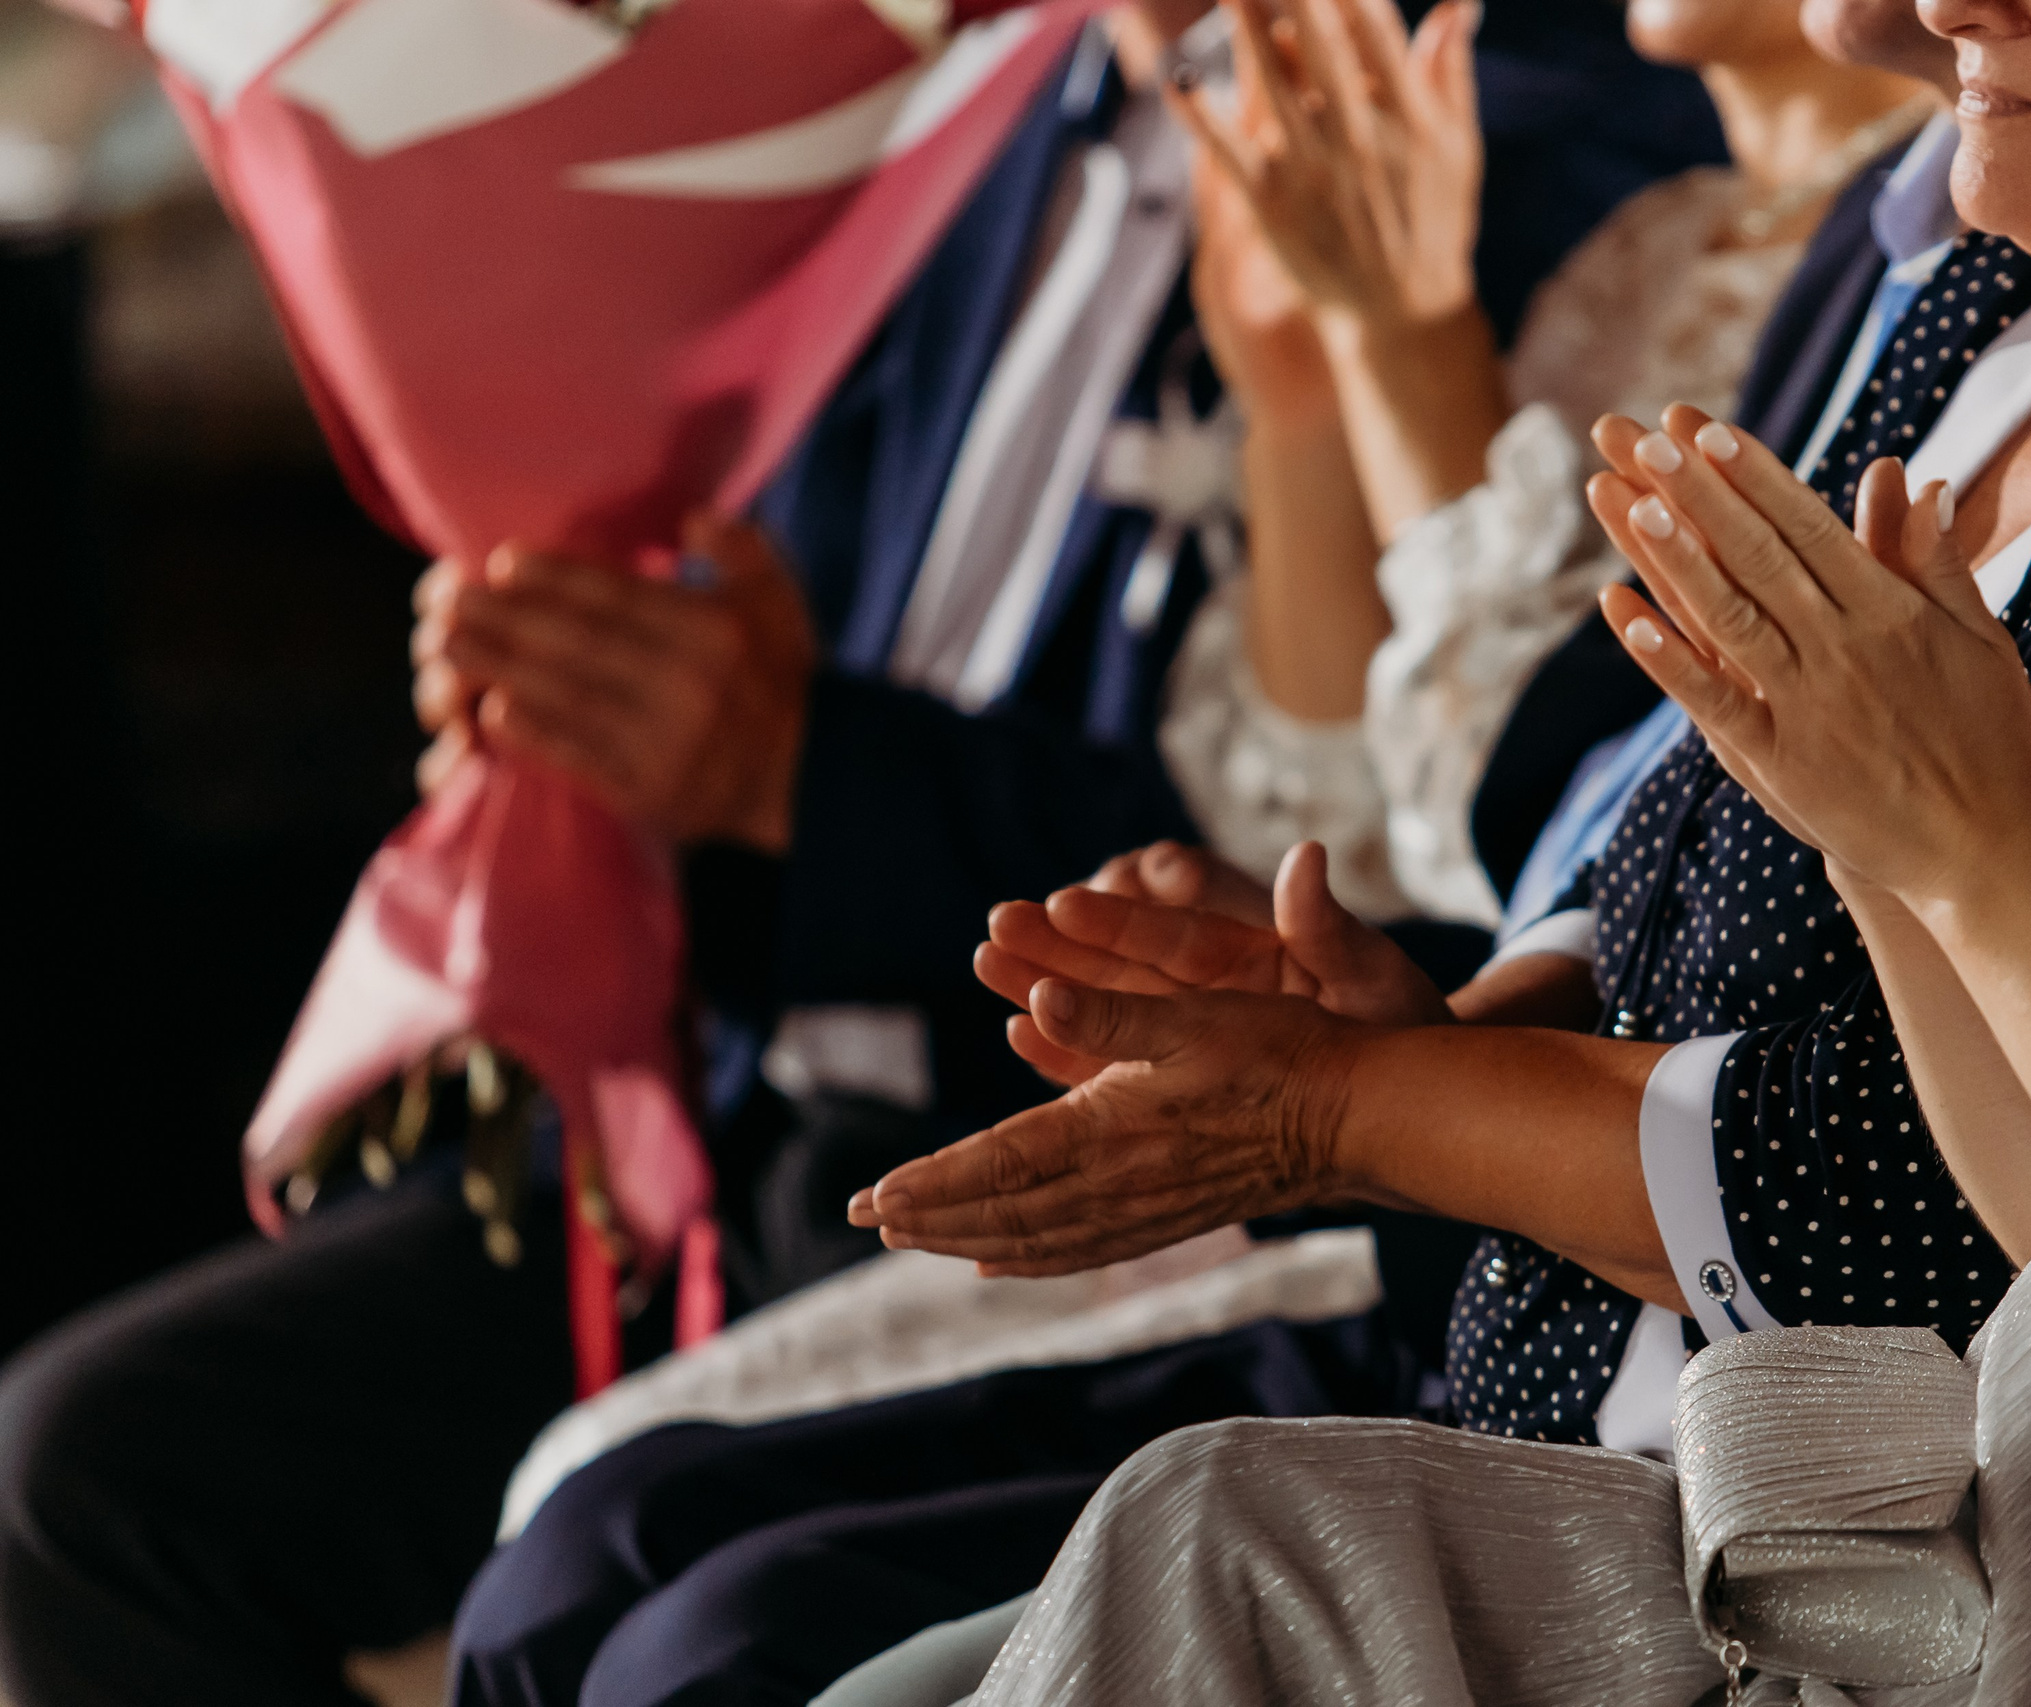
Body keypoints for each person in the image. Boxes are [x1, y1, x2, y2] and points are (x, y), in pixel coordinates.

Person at [0, 6, 1713, 1705]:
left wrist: (801, 770)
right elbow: (784, 599)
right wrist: (610, 702)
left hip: (1067, 1134)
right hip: (755, 1074)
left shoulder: (1504, 152)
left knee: (651, 1606)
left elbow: (1367, 855)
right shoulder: (980, 104)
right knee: (74, 1470)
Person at [891, 0, 2031, 1697]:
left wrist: (1364, 1102)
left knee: (1188, 1543)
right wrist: (1889, 847)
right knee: (1178, 1538)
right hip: (1996, 1556)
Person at [1156, 0, 1933, 924]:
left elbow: (1537, 827)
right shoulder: (1652, 240)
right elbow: (1329, 828)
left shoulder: (1932, 266)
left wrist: (1407, 340)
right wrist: (1305, 405)